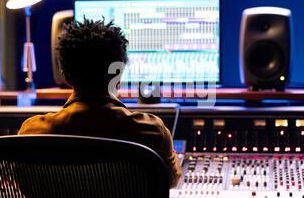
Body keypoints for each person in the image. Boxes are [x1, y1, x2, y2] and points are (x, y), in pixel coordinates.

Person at [18, 18, 182, 187]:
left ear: (65, 76)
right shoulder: (152, 131)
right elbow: (170, 182)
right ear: (118, 74)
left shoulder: (31, 132)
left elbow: (24, 186)